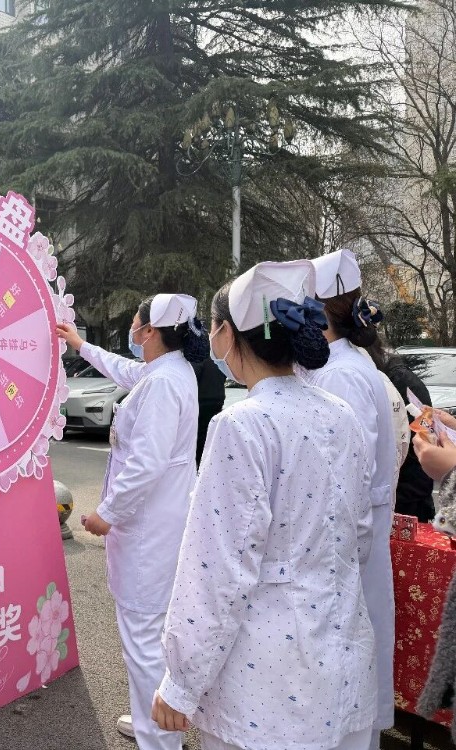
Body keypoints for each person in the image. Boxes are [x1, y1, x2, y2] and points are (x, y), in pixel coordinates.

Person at [152, 260, 376, 750]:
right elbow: (358, 535)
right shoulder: (340, 415)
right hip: (343, 659)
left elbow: (216, 571)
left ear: (227, 334)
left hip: (267, 684)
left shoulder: (244, 426)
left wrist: (181, 681)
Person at [57, 293, 207, 750]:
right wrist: (81, 345)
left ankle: (157, 739)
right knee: (152, 633)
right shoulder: (167, 371)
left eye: (137, 324)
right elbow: (124, 369)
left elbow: (145, 463)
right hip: (160, 521)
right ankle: (152, 719)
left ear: (151, 331)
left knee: (143, 636)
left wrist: (106, 514)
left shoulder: (163, 382)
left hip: (149, 528)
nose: (133, 331)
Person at [303, 249, 398, 748]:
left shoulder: (341, 374)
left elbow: (348, 484)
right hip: (349, 551)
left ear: (319, 309)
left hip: (346, 555)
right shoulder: (346, 364)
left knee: (343, 692)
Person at [369, 339, 437, 521]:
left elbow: (425, 440)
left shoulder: (403, 383)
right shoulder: (381, 376)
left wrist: (399, 498)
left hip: (407, 502)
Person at [193, 355, 226, 464]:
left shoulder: (197, 358)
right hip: (216, 399)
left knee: (200, 439)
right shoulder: (215, 357)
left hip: (202, 402)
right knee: (209, 437)